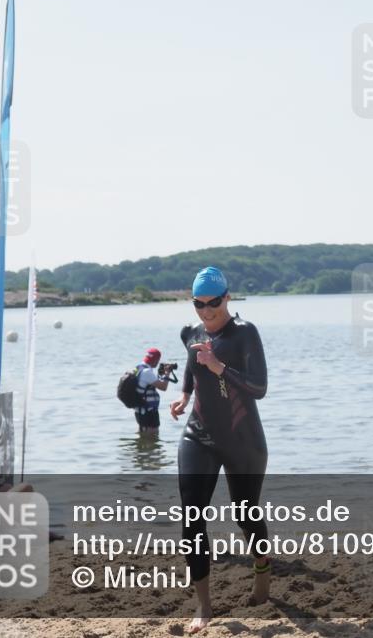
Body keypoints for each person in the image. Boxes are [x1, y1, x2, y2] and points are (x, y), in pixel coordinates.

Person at [169, 266, 271, 631]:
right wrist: (184, 394)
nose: (206, 310)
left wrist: (218, 366)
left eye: (213, 302)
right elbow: (191, 363)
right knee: (192, 519)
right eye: (199, 303)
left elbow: (259, 388)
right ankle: (205, 606)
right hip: (198, 436)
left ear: (227, 297)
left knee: (245, 515)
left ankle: (261, 572)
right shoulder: (191, 332)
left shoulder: (245, 333)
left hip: (243, 440)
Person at [135, 347, 171, 434]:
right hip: (148, 411)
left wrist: (160, 375)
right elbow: (163, 387)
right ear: (156, 360)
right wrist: (167, 373)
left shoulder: (138, 368)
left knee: (142, 433)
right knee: (152, 436)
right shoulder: (147, 372)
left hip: (139, 410)